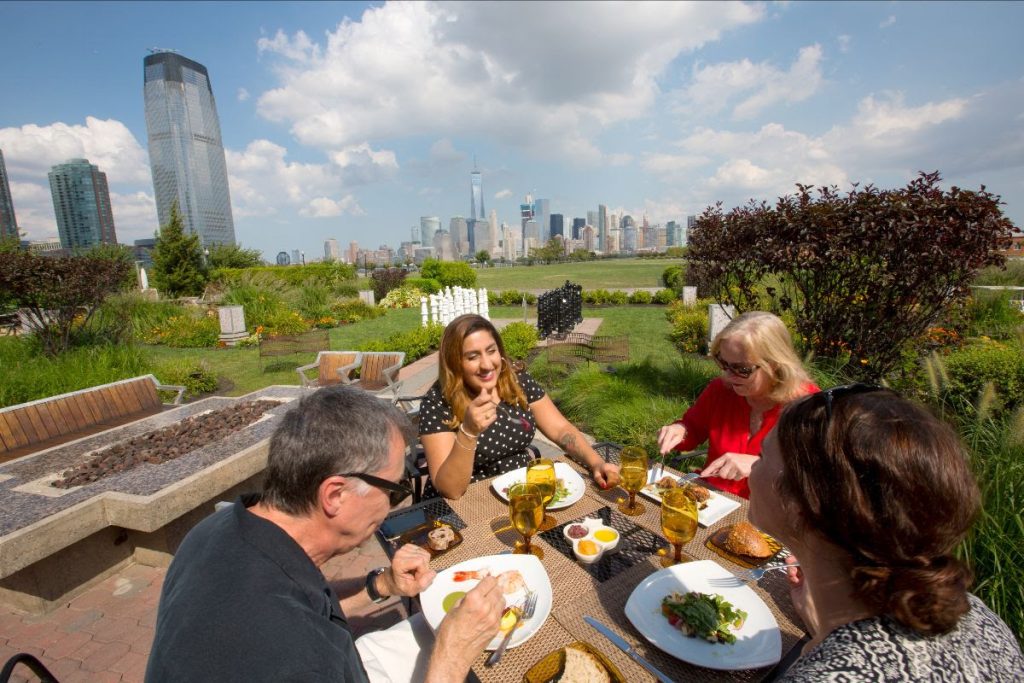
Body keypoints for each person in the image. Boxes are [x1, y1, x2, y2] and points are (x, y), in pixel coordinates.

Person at [145, 386, 505, 682]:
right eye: (394, 490)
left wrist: (383, 587)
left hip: (339, 659)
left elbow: (308, 609)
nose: (393, 505)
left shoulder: (221, 528)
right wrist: (452, 656)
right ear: (335, 494)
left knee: (433, 628)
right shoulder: (296, 656)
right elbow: (296, 637)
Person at [749, 385, 1023, 680]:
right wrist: (824, 631)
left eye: (762, 455)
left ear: (800, 504)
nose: (752, 466)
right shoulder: (977, 615)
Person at [418, 314, 619, 499]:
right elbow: (450, 490)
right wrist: (468, 432)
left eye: (491, 351)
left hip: (522, 492)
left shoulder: (516, 381)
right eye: (472, 357)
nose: (487, 365)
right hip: (468, 502)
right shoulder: (437, 402)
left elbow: (560, 429)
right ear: (454, 363)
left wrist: (596, 462)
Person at [656, 311, 817, 498]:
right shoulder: (721, 390)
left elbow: (817, 478)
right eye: (723, 363)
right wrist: (680, 430)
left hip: (770, 516)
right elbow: (693, 427)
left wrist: (759, 465)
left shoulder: (808, 407)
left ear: (775, 364)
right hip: (711, 501)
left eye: (742, 369)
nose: (729, 376)